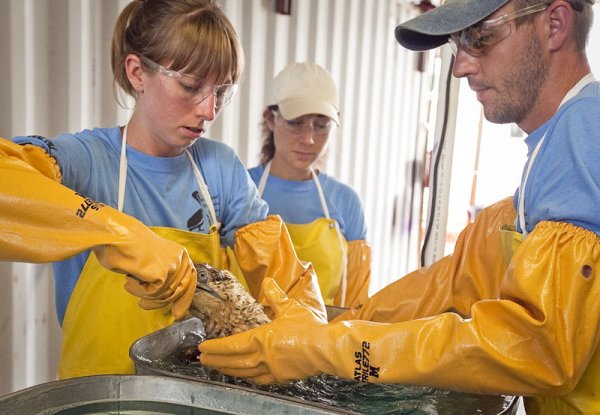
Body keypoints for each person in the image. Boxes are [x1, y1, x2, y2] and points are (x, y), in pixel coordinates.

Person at [199, 0, 600, 413]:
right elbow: (455, 281)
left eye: (479, 38)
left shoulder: (582, 141)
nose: (460, 67)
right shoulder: (553, 152)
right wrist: (336, 325)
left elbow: (535, 347)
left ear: (554, 24)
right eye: (456, 44)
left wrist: (326, 347)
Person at [0, 0, 324, 379]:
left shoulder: (219, 171)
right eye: (190, 86)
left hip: (196, 400)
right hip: (97, 400)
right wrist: (123, 237)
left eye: (221, 92)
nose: (209, 110)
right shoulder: (86, 162)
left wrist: (311, 337)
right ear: (137, 73)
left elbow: (285, 279)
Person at [248, 62, 371, 308]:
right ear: (270, 119)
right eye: (295, 122)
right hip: (249, 343)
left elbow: (356, 307)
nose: (309, 138)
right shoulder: (240, 190)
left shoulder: (346, 202)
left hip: (322, 343)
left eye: (321, 124)